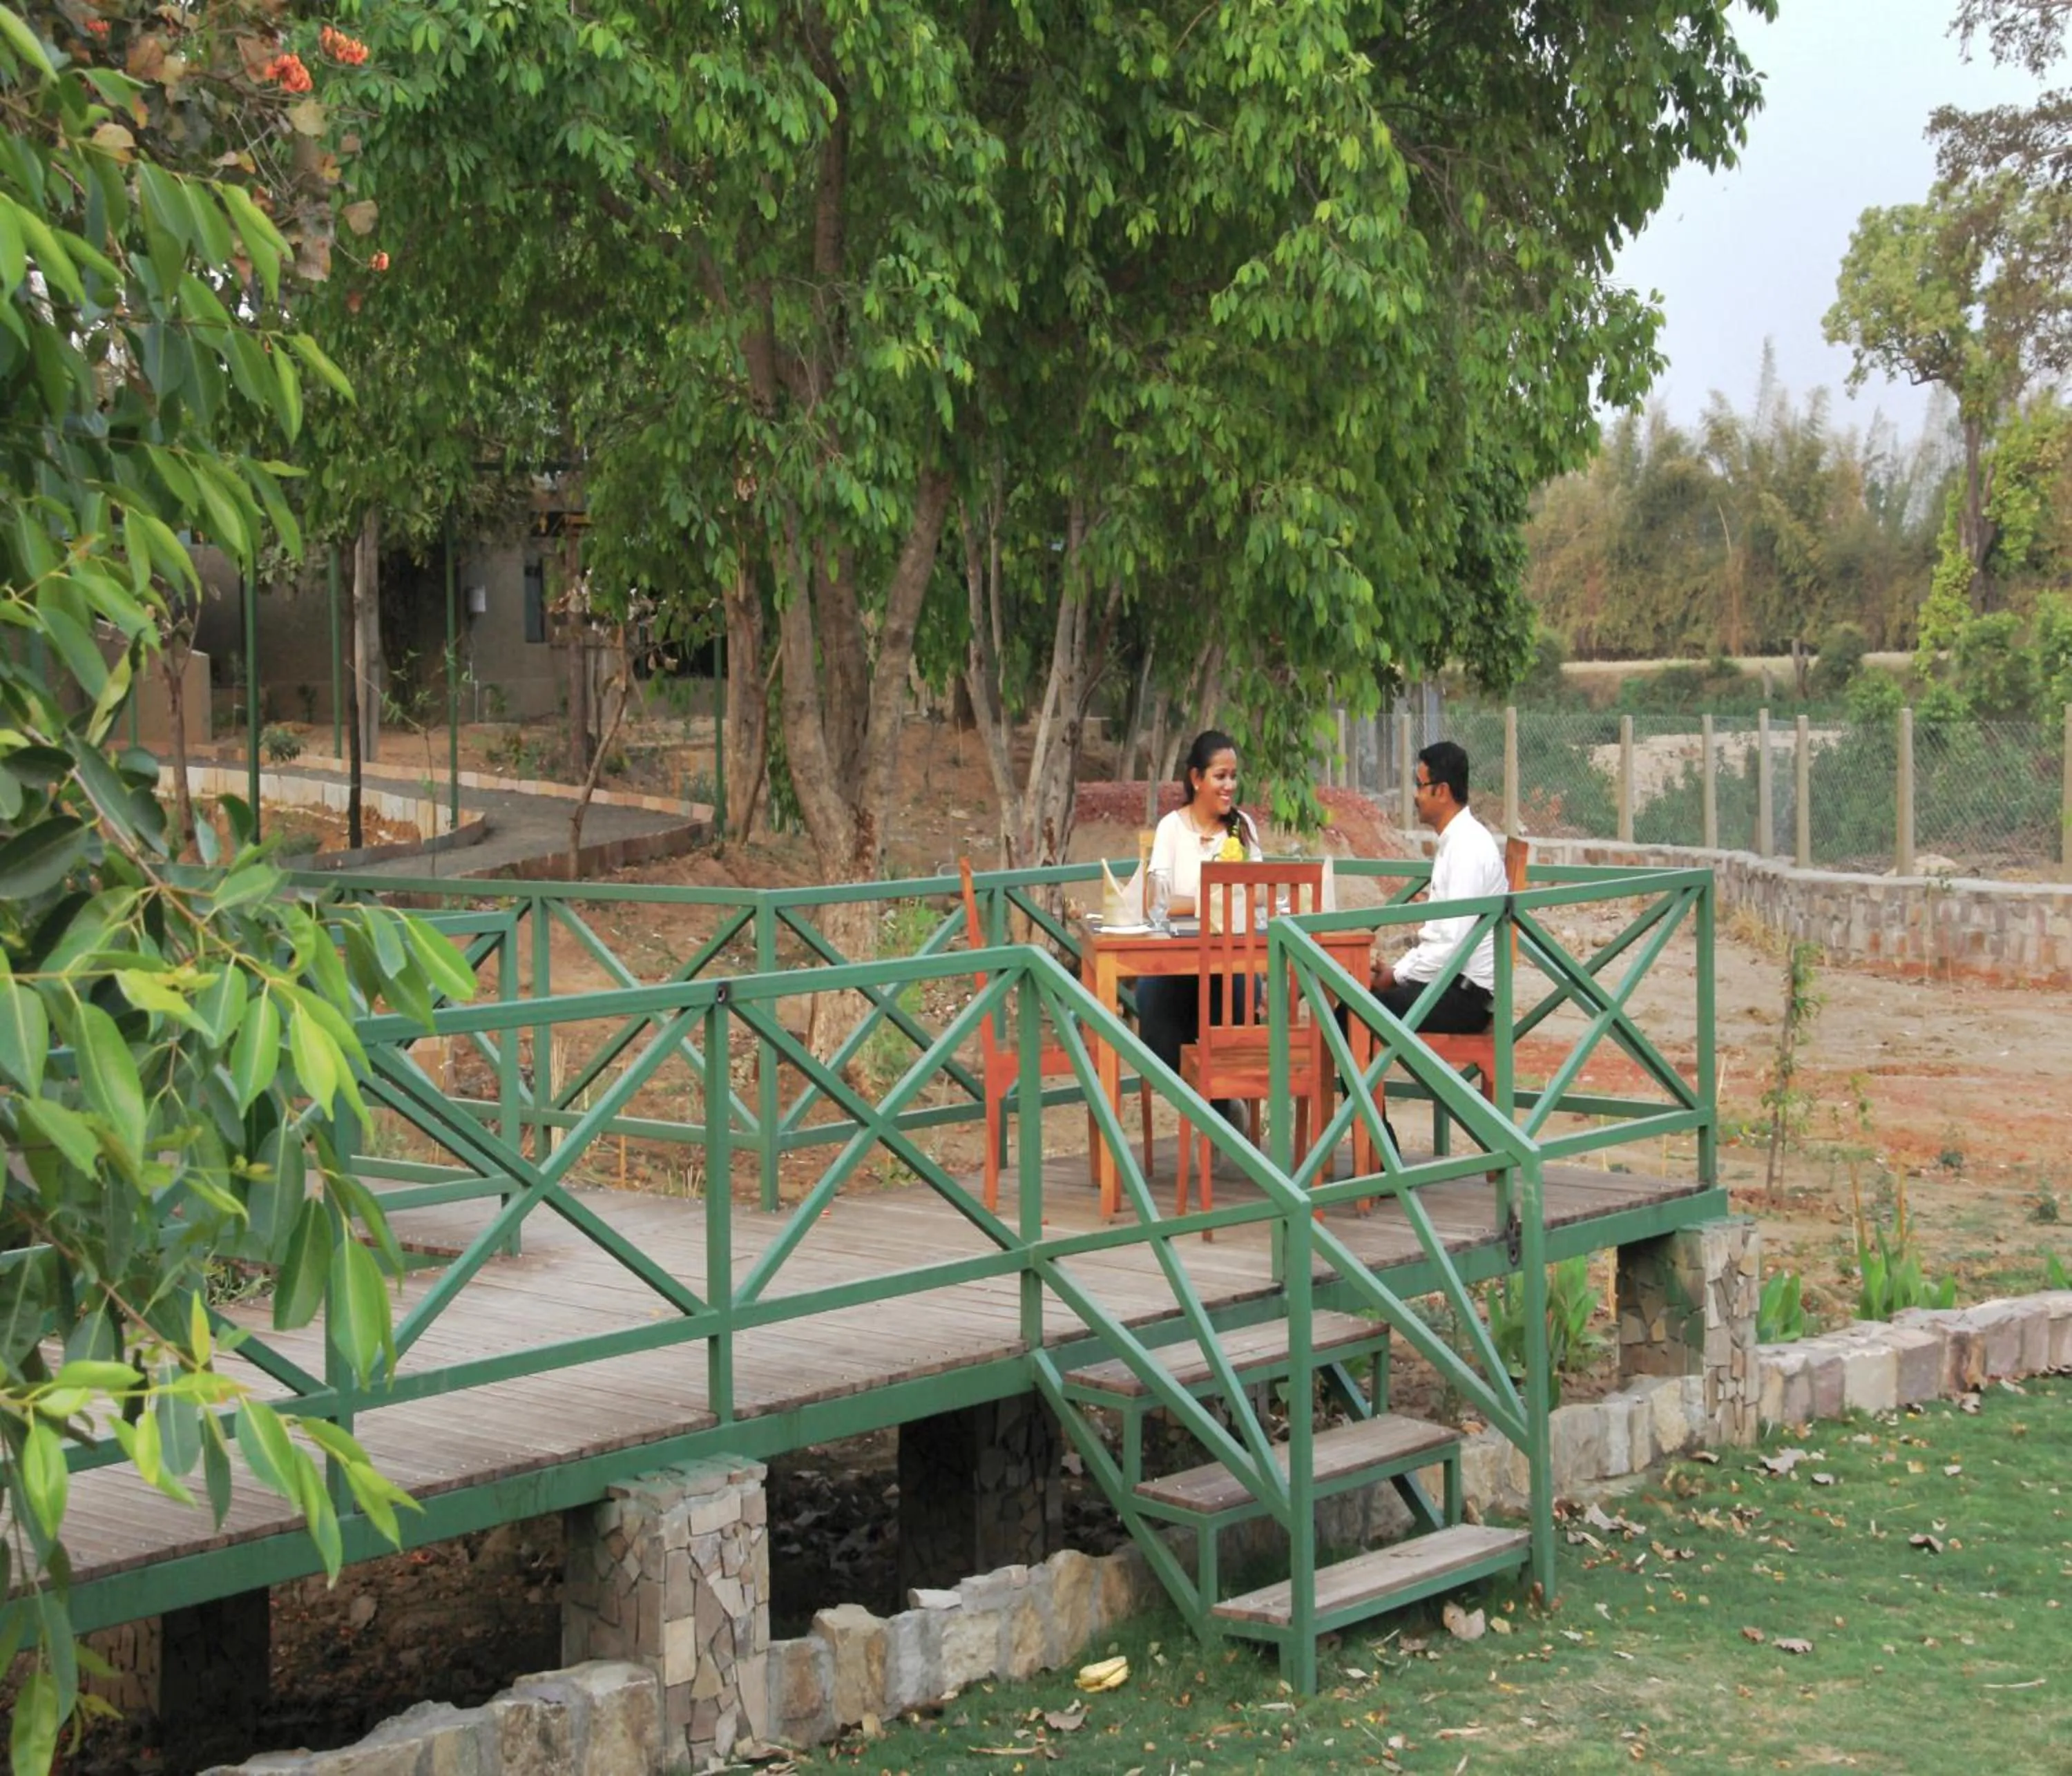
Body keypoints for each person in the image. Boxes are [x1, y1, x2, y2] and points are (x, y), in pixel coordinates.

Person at [1136, 729, 1263, 1083]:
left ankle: (1223, 1101)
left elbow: (1260, 893)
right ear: (1196, 779)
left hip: (1231, 958)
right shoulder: (1171, 829)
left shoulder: (1242, 827)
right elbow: (1157, 900)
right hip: (1175, 962)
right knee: (1153, 997)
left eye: (1234, 776)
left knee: (1239, 987)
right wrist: (1215, 898)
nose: (1229, 786)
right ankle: (1200, 1100)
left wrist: (1196, 901)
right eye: (1220, 776)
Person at [1369, 740, 1508, 1033]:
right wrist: (1398, 972)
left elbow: (1449, 945)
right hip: (1451, 984)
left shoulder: (1467, 848)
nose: (1416, 796)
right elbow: (1442, 939)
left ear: (1442, 791)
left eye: (1420, 785)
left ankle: (1346, 1081)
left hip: (1466, 998)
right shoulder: (1457, 841)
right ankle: (1356, 1080)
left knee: (1358, 1012)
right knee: (1357, 1006)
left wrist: (1396, 977)